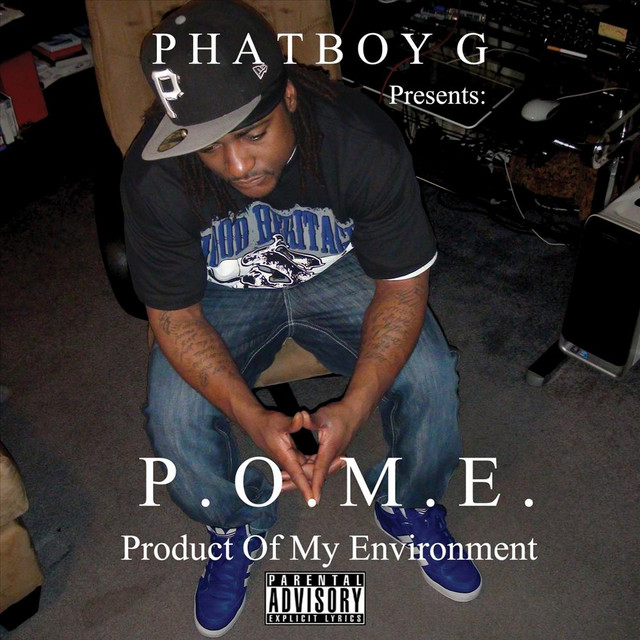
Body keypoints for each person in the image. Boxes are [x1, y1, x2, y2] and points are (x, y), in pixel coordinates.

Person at [121, 0, 482, 636]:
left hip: (338, 269)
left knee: (430, 375)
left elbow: (402, 290)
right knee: (174, 417)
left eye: (253, 133)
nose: (238, 166)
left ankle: (410, 502)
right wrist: (252, 418)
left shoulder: (360, 140)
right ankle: (236, 524)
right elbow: (173, 318)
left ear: (288, 96)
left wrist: (353, 409)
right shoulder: (156, 174)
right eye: (210, 145)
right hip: (223, 288)